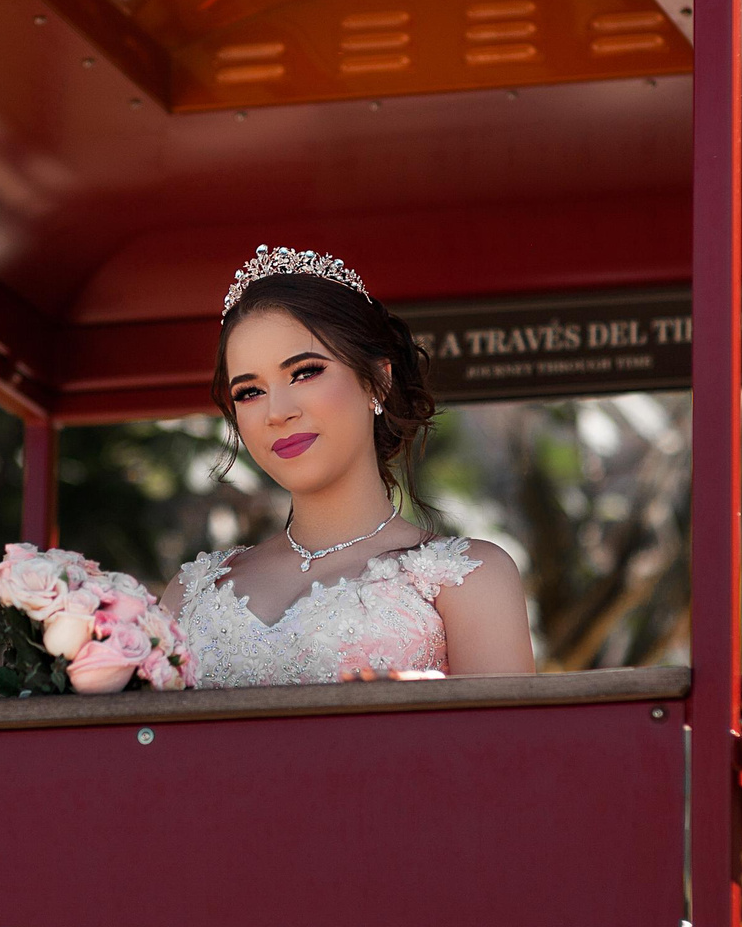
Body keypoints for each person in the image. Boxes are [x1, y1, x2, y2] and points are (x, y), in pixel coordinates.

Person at [161, 245, 537, 686]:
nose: (276, 412)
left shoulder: (468, 579)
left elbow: (507, 751)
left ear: (378, 379)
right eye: (249, 392)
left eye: (304, 372)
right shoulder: (190, 592)